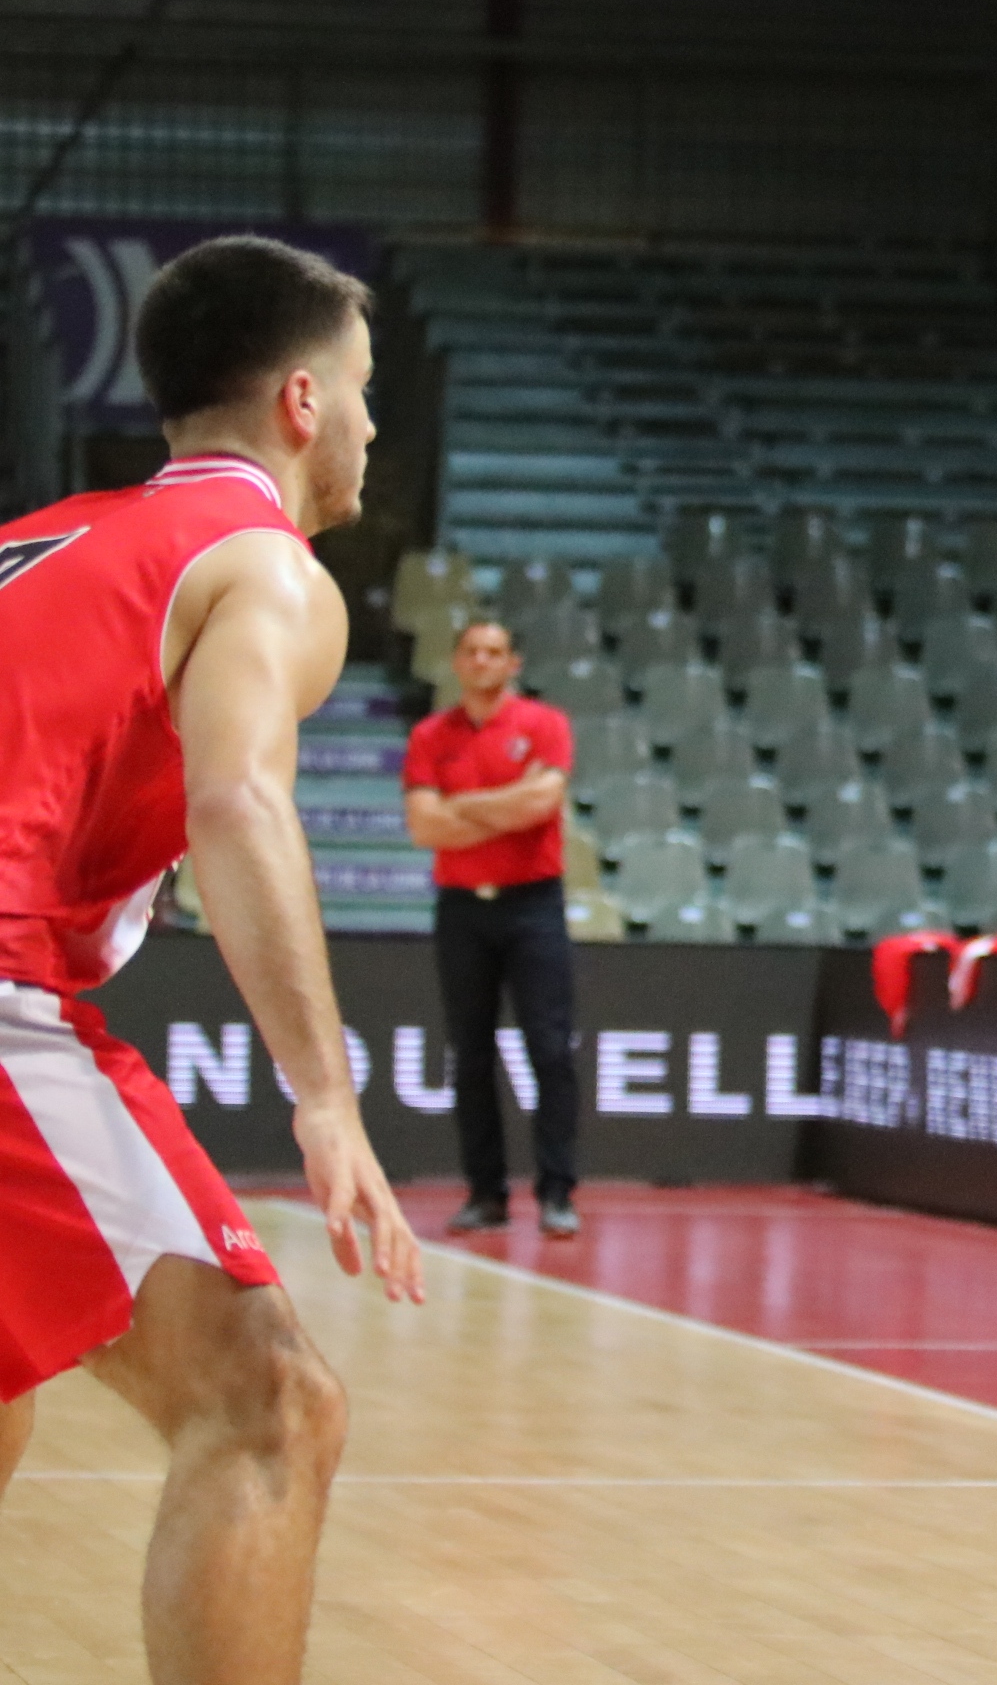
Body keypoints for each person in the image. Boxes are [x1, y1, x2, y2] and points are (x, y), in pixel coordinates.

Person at [0, 235, 425, 1685]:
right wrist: (323, 1093)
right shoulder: (265, 566)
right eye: (368, 392)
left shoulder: (35, 539)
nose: (379, 426)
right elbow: (239, 800)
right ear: (304, 403)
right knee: (270, 1399)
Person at [402, 617, 580, 1238]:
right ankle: (486, 1194)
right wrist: (506, 804)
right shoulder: (431, 734)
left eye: (495, 652)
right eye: (472, 651)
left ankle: (557, 1193)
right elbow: (424, 827)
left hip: (533, 903)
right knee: (470, 1054)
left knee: (550, 1049)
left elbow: (543, 804)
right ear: (455, 662)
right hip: (461, 908)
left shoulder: (546, 725)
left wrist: (463, 809)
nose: (482, 660)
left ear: (513, 664)